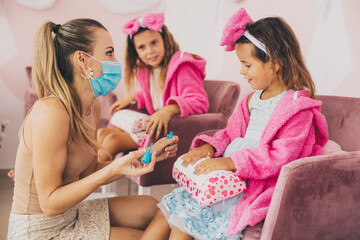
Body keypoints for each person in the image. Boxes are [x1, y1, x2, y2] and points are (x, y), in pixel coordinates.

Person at [140, 8, 329, 240]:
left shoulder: (296, 108)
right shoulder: (251, 100)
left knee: (182, 225)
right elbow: (230, 135)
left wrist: (231, 162)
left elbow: (283, 157)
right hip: (227, 175)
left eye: (247, 65)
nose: (242, 71)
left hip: (249, 184)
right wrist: (209, 148)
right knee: (168, 212)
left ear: (275, 63)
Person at [7, 18, 179, 240]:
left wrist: (143, 159)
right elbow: (49, 204)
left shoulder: (92, 107)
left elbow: (88, 173)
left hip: (71, 213)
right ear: (82, 59)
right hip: (40, 229)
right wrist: (114, 169)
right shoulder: (51, 113)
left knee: (159, 209)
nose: (115, 61)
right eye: (109, 53)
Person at [97, 12, 209, 162]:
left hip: (167, 130)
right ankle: (89, 180)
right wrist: (132, 98)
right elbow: (156, 95)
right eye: (142, 47)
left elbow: (199, 101)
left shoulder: (182, 66)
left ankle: (95, 179)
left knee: (112, 141)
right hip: (154, 125)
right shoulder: (147, 70)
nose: (149, 51)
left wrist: (168, 109)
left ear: (165, 40)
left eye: (154, 43)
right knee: (102, 134)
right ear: (135, 51)